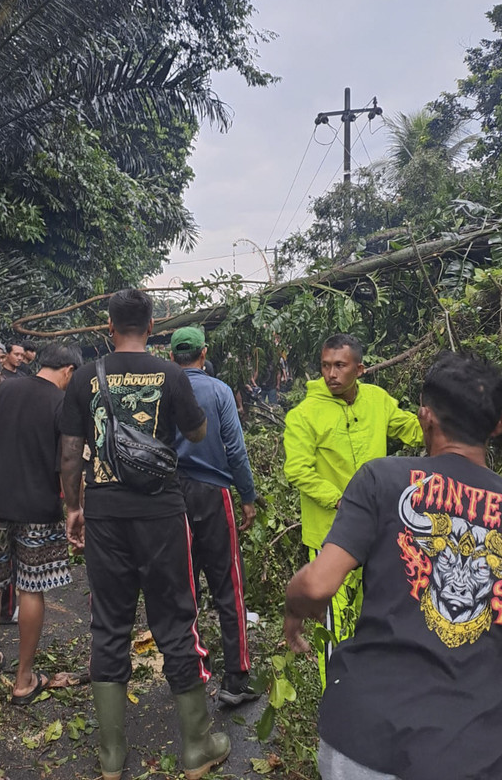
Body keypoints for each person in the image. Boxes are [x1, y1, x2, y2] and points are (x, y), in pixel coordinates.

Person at [284, 351, 502, 780]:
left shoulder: (381, 479)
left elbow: (316, 586)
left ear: (425, 417)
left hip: (364, 740)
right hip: (474, 748)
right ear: (497, 425)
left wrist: (293, 611)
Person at [60, 289, 230, 780]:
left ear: (108, 327)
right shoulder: (171, 373)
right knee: (176, 618)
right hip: (160, 511)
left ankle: (112, 758)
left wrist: (74, 507)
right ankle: (196, 746)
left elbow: (71, 452)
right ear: (153, 325)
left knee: (109, 625)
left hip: (106, 513)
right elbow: (197, 433)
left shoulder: (85, 378)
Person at [283, 333, 424, 685]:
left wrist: (446, 425)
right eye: (326, 366)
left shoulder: (377, 400)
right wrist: (341, 499)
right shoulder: (305, 414)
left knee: (372, 609)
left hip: (379, 530)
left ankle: (368, 682)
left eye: (340, 366)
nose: (331, 373)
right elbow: (298, 469)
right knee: (333, 616)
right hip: (331, 534)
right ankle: (335, 690)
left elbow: (410, 429)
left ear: (359, 369)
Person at [0, 343, 81, 702]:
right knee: (30, 590)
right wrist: (73, 507)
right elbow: (68, 460)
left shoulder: (2, 389)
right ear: (68, 370)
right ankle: (23, 680)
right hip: (38, 508)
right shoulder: (61, 403)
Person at [170, 327, 259, 707]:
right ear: (203, 353)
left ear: (173, 355)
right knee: (228, 585)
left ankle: (192, 668)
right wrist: (248, 497)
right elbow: (235, 450)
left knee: (183, 585)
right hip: (213, 493)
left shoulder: (160, 390)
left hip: (171, 497)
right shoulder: (219, 391)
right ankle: (235, 679)